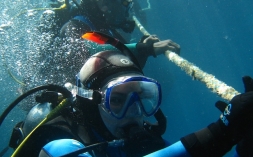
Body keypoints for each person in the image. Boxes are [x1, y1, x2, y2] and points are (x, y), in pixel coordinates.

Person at [3, 44, 253, 157]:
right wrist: (223, 131)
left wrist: (252, 144)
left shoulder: (137, 145)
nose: (133, 112)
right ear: (90, 104)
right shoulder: (57, 143)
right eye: (118, 100)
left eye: (142, 97)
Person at [21, 0, 179, 110]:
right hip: (61, 107)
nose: (128, 9)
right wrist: (142, 48)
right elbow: (85, 50)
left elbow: (124, 67)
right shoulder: (77, 25)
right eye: (124, 2)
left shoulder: (109, 32)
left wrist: (142, 50)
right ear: (104, 4)